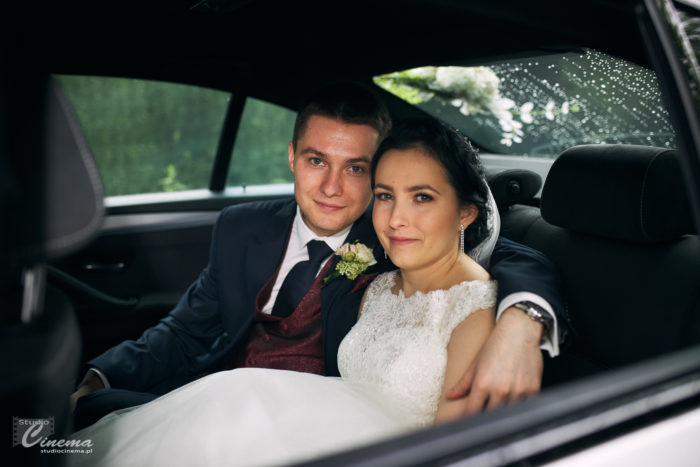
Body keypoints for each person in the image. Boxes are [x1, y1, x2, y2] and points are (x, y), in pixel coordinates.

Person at [71, 82, 567, 431]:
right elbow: (184, 330)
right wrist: (99, 375)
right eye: (316, 161)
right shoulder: (241, 228)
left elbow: (511, 256)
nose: (332, 187)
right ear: (292, 157)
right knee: (79, 416)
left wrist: (524, 321)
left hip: (314, 426)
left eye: (356, 169)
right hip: (217, 397)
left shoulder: (395, 238)